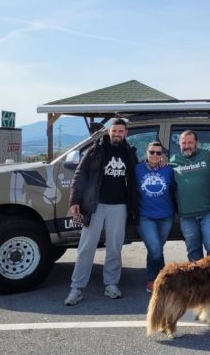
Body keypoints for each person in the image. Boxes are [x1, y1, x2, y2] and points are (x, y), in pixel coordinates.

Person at [64, 119, 138, 306]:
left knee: (114, 248)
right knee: (86, 247)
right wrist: (75, 201)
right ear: (109, 131)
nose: (117, 134)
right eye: (114, 130)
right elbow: (80, 175)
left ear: (126, 133)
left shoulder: (129, 152)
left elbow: (137, 177)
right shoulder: (95, 150)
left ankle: (111, 284)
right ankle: (77, 288)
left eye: (121, 131)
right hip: (95, 206)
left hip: (119, 206)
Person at [169, 130, 210, 262]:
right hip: (186, 216)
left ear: (196, 143)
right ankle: (197, 281)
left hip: (208, 213)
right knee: (193, 250)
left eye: (190, 142)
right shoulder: (173, 161)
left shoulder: (209, 155)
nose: (187, 145)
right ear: (179, 144)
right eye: (184, 143)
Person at [135, 141, 176, 293]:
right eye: (152, 152)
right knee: (155, 249)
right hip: (145, 216)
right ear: (146, 153)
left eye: (158, 153)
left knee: (155, 249)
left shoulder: (168, 169)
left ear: (162, 156)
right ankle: (160, 280)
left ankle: (154, 279)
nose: (155, 155)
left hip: (166, 216)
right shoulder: (137, 169)